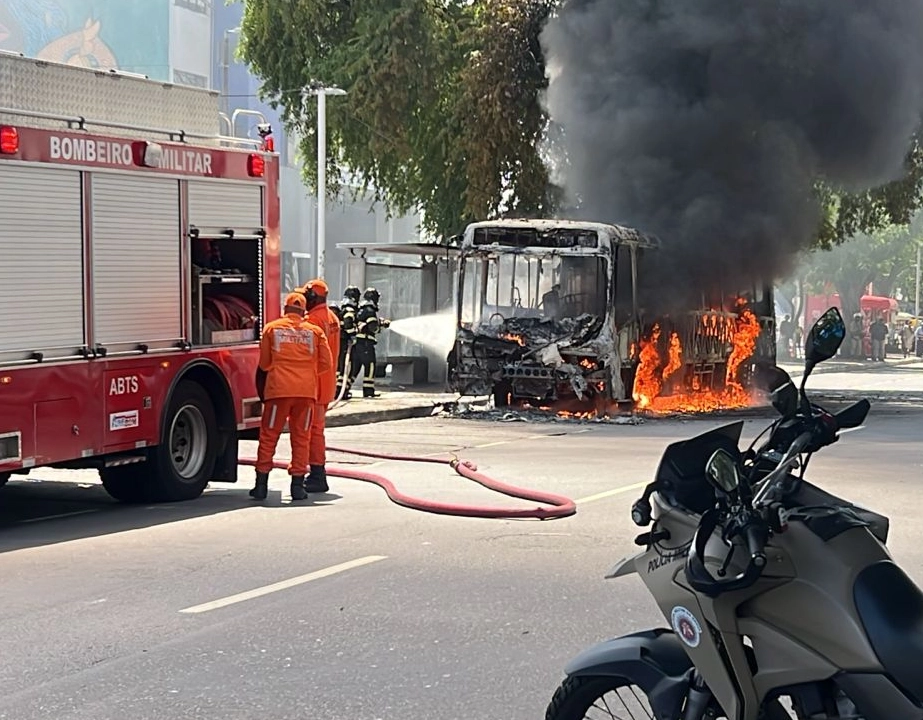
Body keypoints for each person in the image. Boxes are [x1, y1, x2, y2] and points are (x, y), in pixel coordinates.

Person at [251, 292, 332, 501]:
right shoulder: (314, 332)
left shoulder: (271, 328)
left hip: (278, 392)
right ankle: (297, 487)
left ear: (285, 309)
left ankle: (261, 487)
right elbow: (326, 364)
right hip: (306, 394)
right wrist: (306, 372)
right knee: (302, 438)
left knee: (269, 436)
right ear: (304, 310)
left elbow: (264, 364)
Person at [299, 278, 341, 494]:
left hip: (314, 384)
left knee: (312, 432)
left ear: (313, 297)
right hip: (326, 385)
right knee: (317, 430)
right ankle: (316, 472)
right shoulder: (332, 318)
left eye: (306, 297)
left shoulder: (313, 321)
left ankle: (317, 474)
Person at [346, 287, 390, 399]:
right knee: (370, 366)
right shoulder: (370, 310)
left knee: (355, 369)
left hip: (357, 345)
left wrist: (381, 322)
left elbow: (365, 322)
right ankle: (368, 391)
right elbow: (372, 326)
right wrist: (379, 328)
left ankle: (344, 389)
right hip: (366, 344)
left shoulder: (360, 310)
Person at [336, 286, 361, 396]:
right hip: (345, 341)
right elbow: (348, 323)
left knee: (341, 367)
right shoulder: (350, 310)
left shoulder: (343, 308)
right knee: (346, 367)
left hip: (341, 341)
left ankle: (341, 389)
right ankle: (341, 390)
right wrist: (353, 335)